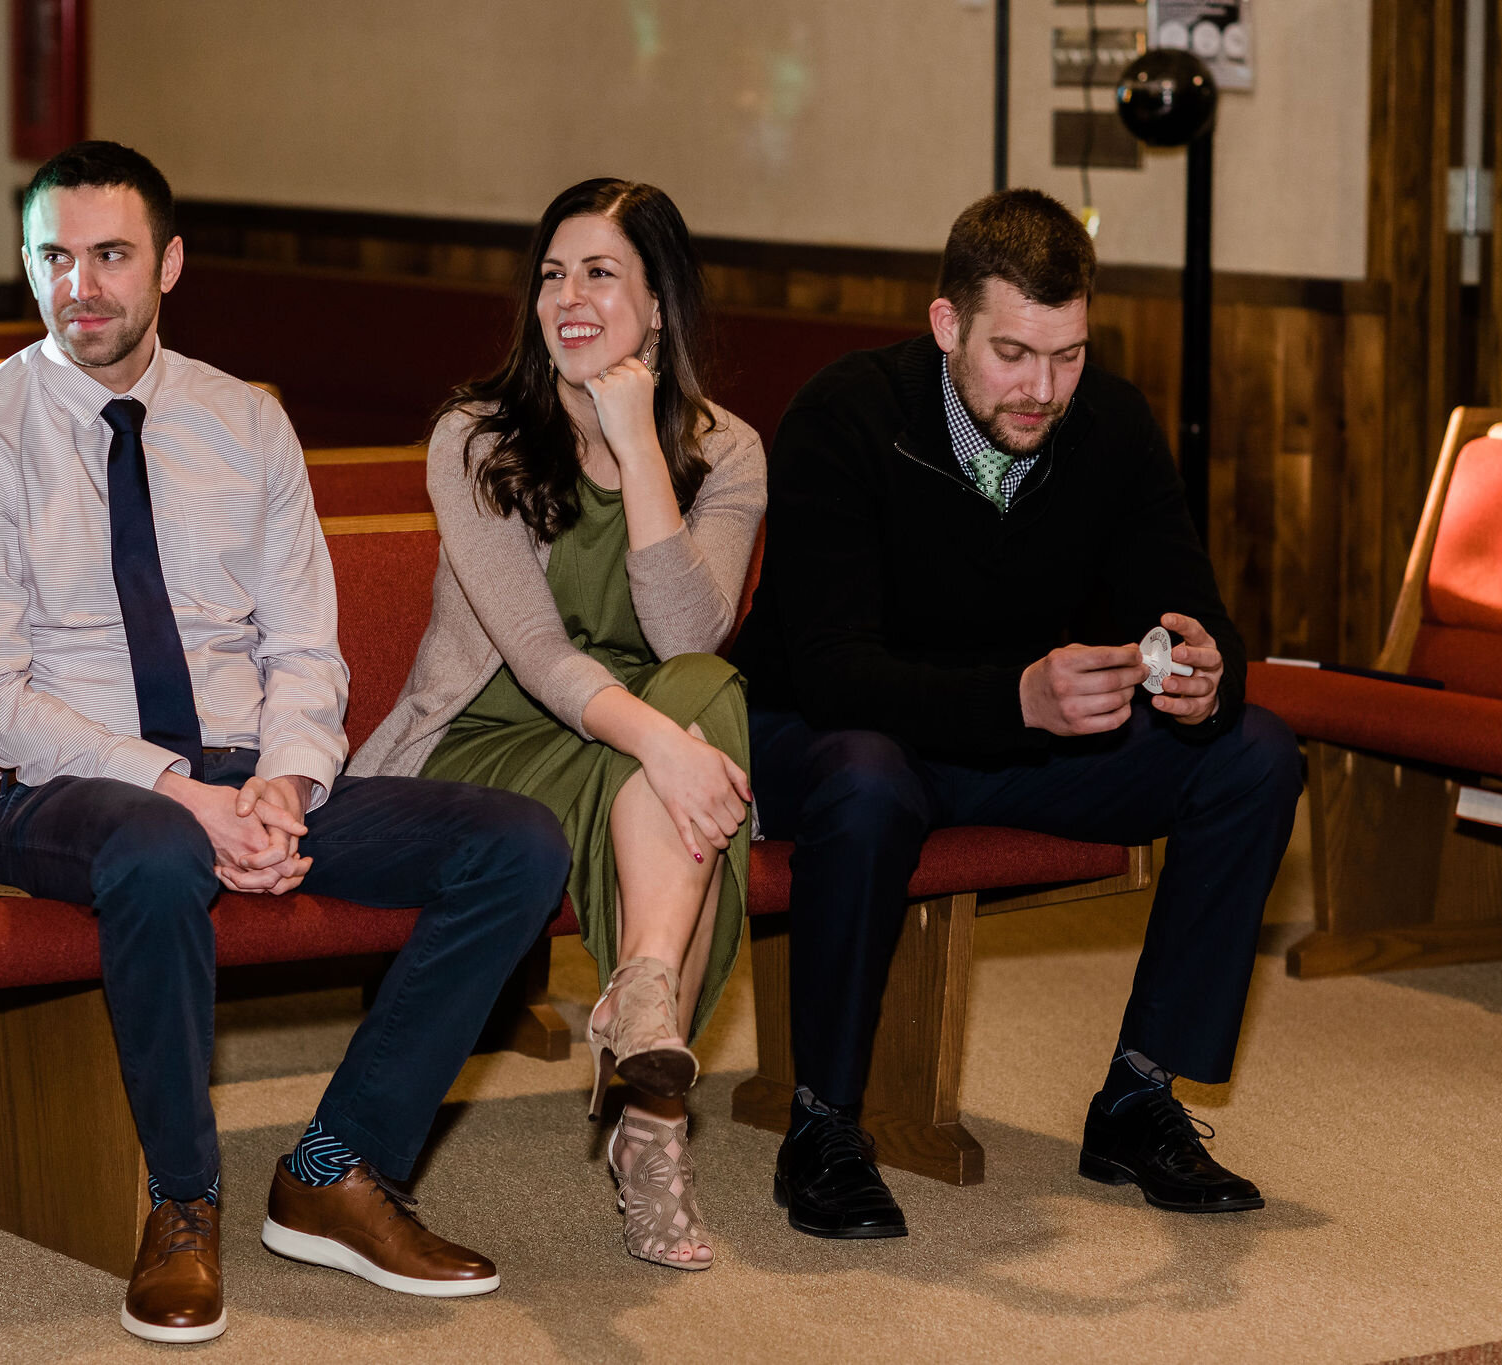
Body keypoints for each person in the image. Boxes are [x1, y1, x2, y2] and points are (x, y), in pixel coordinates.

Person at [0, 141, 572, 1344]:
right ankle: (182, 1199)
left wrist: (281, 784)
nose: (80, 287)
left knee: (517, 842)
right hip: (71, 791)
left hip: (244, 772)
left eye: (110, 255)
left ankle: (335, 1164)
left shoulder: (242, 422)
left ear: (168, 263)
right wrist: (178, 791)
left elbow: (303, 646)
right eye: (53, 256)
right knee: (161, 849)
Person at [730, 188, 1302, 1240]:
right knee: (864, 776)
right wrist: (1017, 698)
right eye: (1012, 355)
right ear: (945, 324)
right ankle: (822, 1125)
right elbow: (831, 671)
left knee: (1254, 753)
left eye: (1068, 355)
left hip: (1009, 735)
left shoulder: (1112, 423)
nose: (1042, 389)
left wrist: (1203, 673)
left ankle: (1136, 1097)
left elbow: (1188, 602)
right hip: (832, 736)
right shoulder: (843, 414)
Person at [351, 179, 765, 1271]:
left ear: (658, 303)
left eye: (599, 273)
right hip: (490, 741)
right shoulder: (474, 437)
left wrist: (639, 453)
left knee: (703, 703)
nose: (566, 298)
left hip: (634, 747)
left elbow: (685, 636)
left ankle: (640, 999)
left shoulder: (728, 454)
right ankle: (653, 1128)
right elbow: (536, 658)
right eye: (550, 273)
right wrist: (664, 744)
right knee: (700, 752)